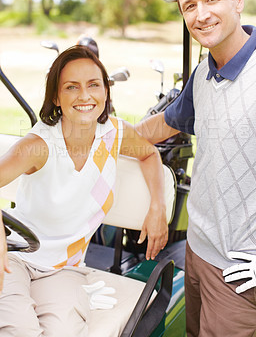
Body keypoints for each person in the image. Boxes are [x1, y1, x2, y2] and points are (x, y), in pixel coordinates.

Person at [136, 0, 256, 337]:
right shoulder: (203, 74)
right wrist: (101, 135)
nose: (201, 14)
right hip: (197, 250)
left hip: (241, 271)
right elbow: (165, 123)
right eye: (189, 5)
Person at [0, 45, 168, 336]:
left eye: (93, 85)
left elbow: (149, 154)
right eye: (71, 87)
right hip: (15, 258)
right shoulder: (37, 146)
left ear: (105, 91)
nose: (85, 96)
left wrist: (157, 206)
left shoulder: (113, 134)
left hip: (66, 268)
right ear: (56, 97)